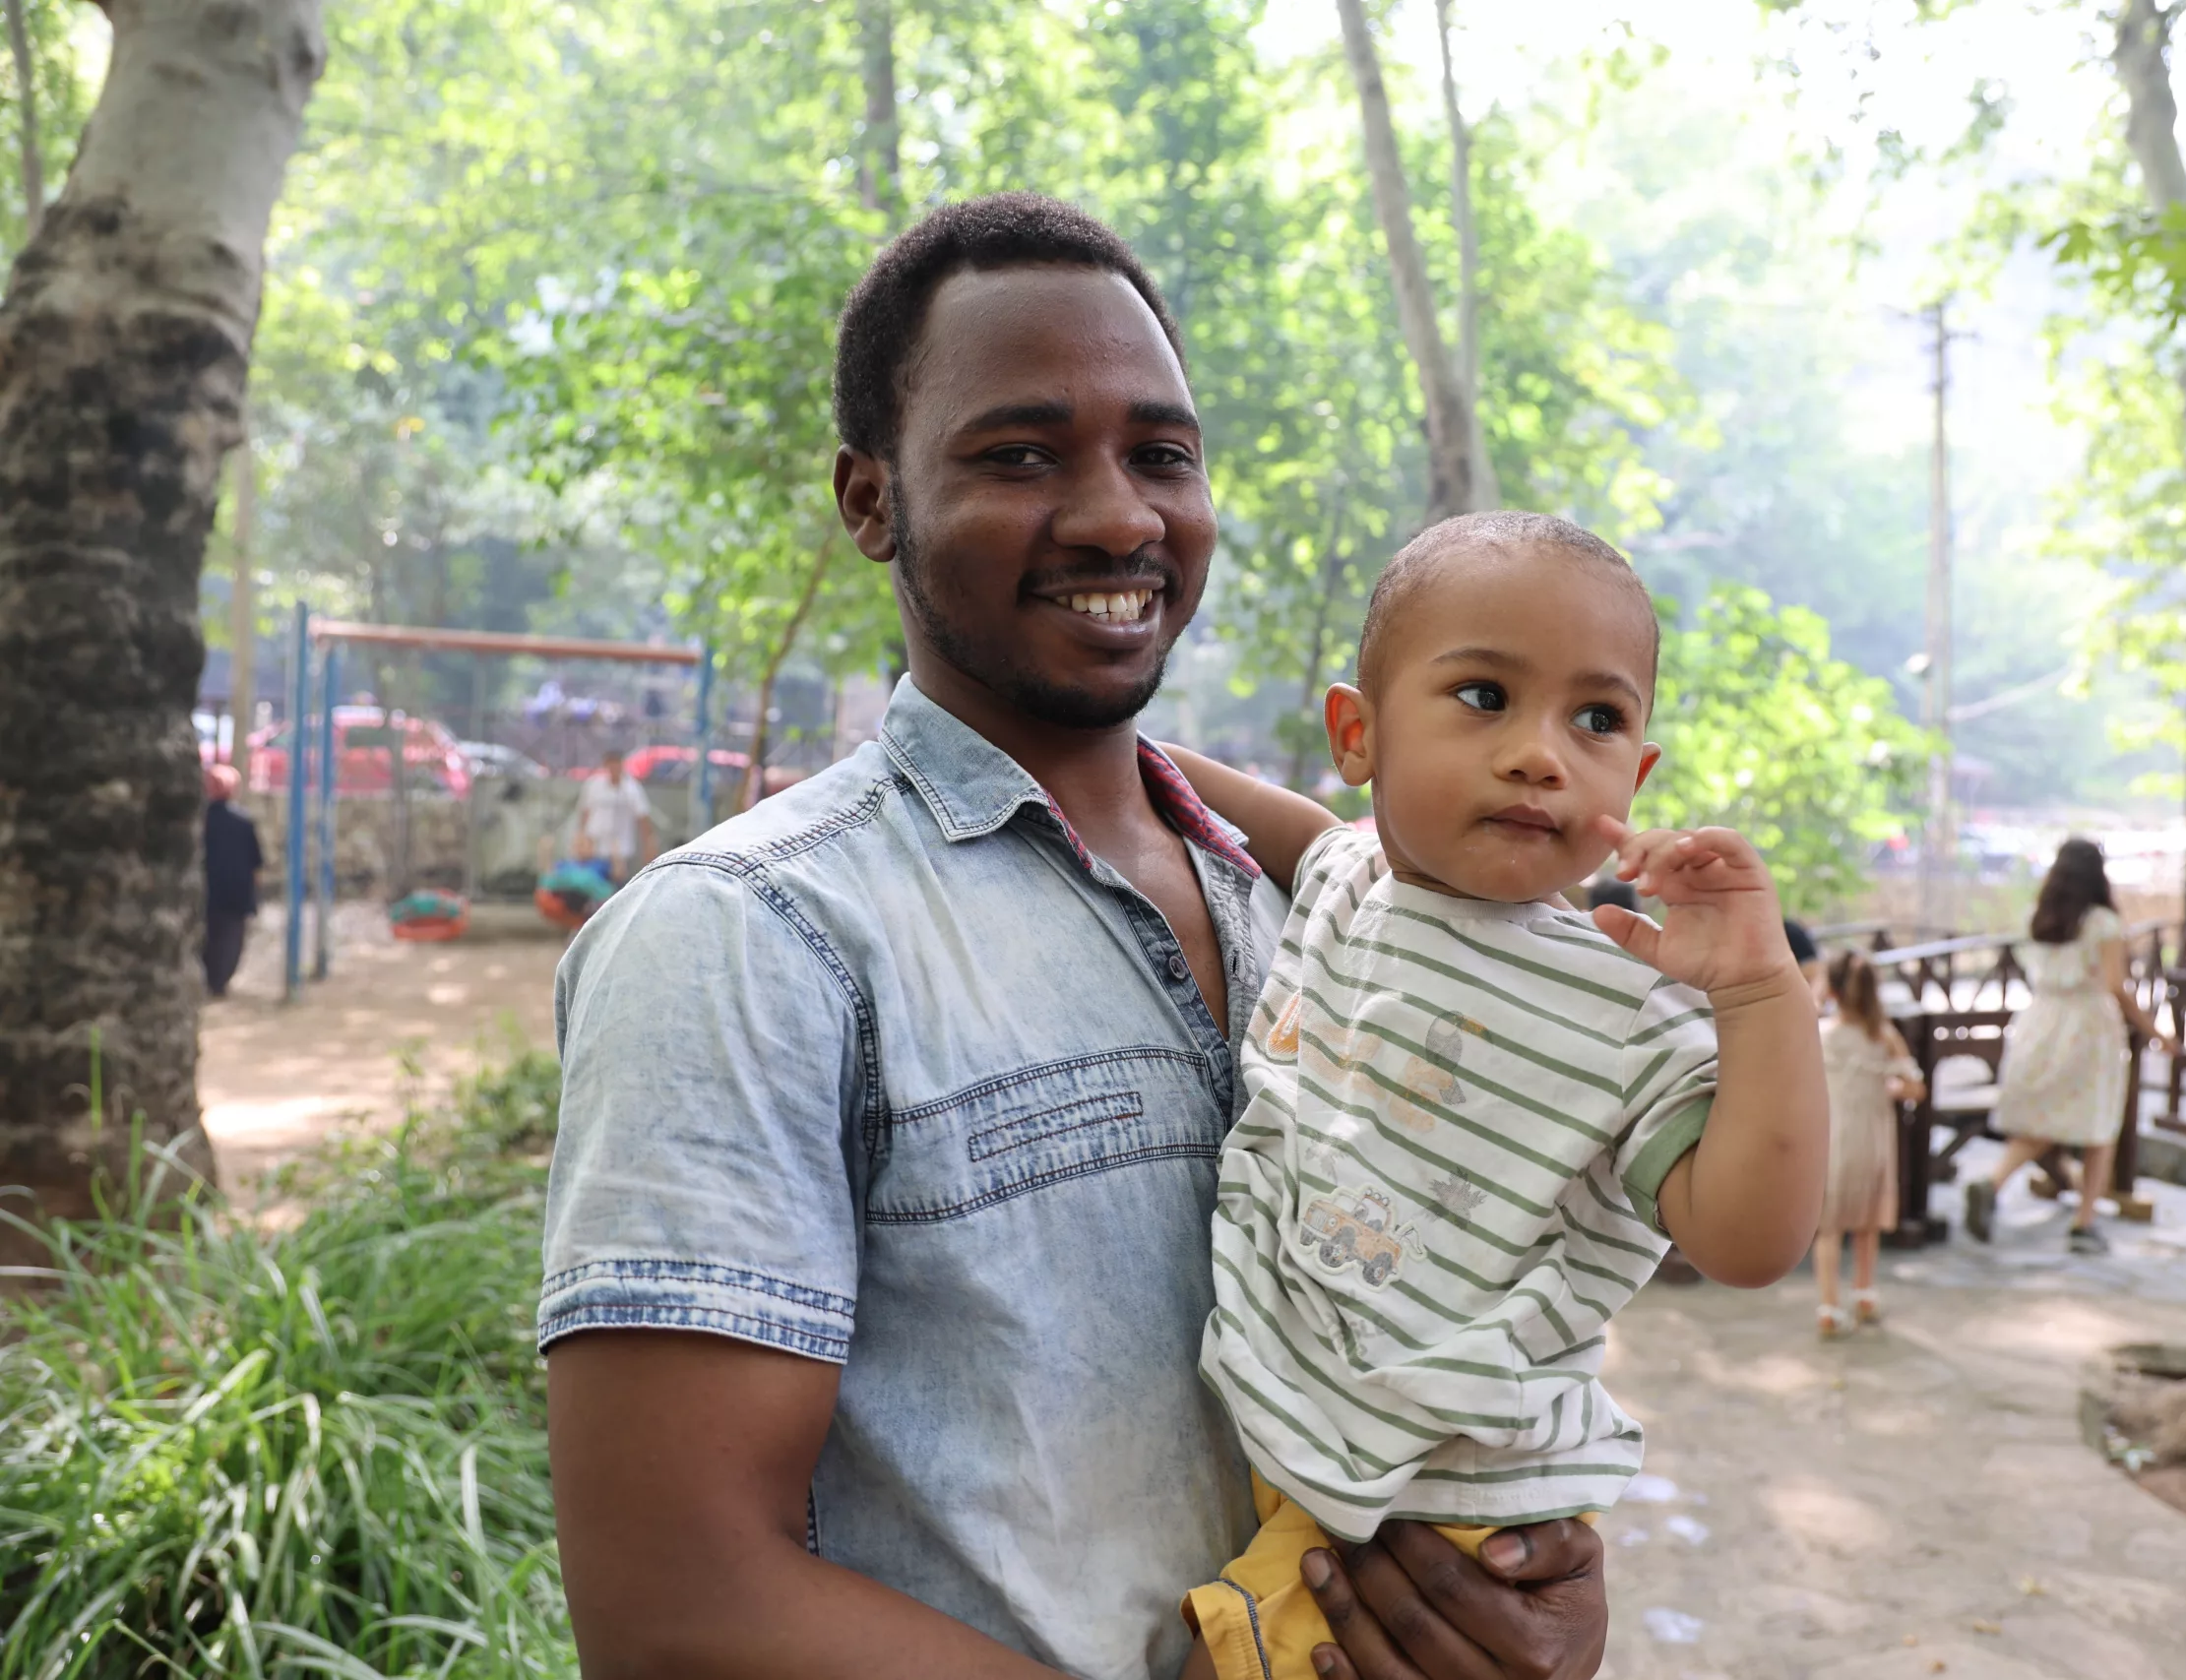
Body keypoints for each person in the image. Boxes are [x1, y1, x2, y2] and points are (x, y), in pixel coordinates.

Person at [538, 194, 1611, 1680]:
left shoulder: (1328, 915)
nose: (1119, 515)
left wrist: (1528, 1595)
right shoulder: (747, 941)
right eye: (1021, 455)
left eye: (1161, 454)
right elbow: (677, 1606)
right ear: (872, 501)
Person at [1157, 512, 1829, 1680]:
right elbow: (1251, 812)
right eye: (1483, 697)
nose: (1538, 755)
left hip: (1443, 1505)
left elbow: (1750, 1242)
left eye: (1596, 719)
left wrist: (1762, 993)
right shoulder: (1348, 876)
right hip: (1295, 1425)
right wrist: (1118, 745)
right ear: (1358, 735)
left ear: (1638, 774)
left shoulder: (1619, 1008)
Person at [1965, 838, 2173, 1254]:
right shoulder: (2103, 923)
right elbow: (2116, 986)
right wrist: (2155, 1032)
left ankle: (1992, 1182)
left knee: (2043, 1118)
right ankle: (2085, 1221)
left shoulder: (2036, 918)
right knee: (2099, 1124)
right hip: (2088, 1026)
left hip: (2040, 1021)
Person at [1811, 949, 1923, 1338]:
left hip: (1831, 1141)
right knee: (1867, 1223)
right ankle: (1864, 1294)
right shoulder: (1884, 1036)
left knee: (1828, 1227)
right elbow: (1915, 1089)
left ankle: (1828, 1306)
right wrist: (1887, 1086)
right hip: (1872, 1141)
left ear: (1833, 989)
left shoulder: (1820, 1035)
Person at [201, 764, 263, 998]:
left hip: (208, 891)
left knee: (208, 936)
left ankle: (209, 980)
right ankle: (219, 983)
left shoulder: (201, 820)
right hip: (237, 893)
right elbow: (256, 862)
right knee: (231, 941)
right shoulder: (244, 821)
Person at [569, 749, 654, 883]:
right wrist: (581, 839)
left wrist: (648, 845)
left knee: (618, 883)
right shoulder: (593, 785)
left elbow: (643, 817)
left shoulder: (631, 788)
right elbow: (584, 812)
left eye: (616, 763)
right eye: (610, 763)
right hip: (595, 848)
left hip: (621, 850)